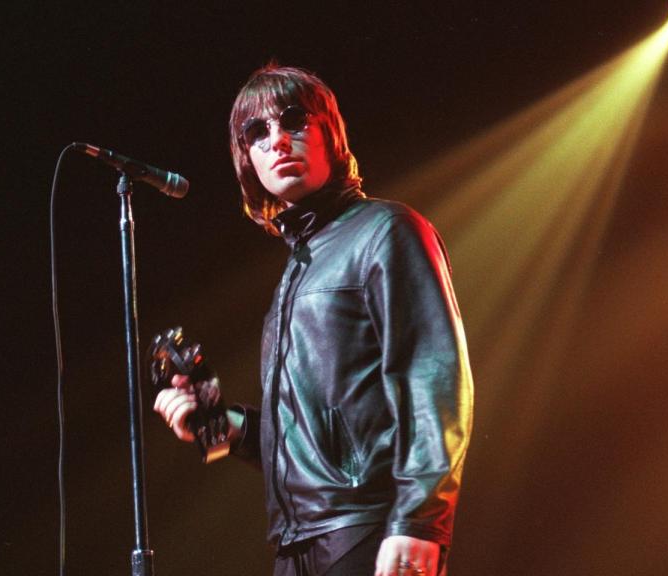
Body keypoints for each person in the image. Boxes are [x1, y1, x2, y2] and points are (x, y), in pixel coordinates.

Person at [153, 64, 473, 576]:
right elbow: (309, 438)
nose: (278, 140)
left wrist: (419, 519)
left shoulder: (387, 231)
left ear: (331, 133)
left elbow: (432, 377)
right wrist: (224, 426)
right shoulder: (297, 270)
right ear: (246, 159)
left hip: (366, 530)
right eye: (257, 132)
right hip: (297, 544)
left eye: (293, 120)